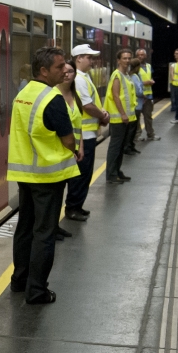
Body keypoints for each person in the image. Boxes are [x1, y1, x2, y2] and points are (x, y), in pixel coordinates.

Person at [8, 47, 80, 304]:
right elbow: (68, 139)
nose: (65, 71)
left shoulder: (23, 94)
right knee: (44, 232)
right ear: (44, 70)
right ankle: (36, 290)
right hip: (48, 177)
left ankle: (19, 280)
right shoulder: (53, 99)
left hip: (24, 173)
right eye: (60, 67)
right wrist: (76, 149)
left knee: (25, 228)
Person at [65, 45, 109, 222]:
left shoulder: (84, 77)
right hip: (83, 135)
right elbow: (87, 105)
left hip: (89, 134)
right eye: (89, 57)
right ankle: (73, 207)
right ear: (78, 59)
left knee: (85, 174)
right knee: (81, 174)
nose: (92, 61)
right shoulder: (80, 79)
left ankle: (78, 206)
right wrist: (103, 116)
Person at [54, 60, 84, 241]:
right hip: (60, 152)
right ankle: (53, 227)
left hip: (72, 151)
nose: (67, 74)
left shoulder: (75, 95)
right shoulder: (54, 96)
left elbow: (80, 125)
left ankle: (56, 225)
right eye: (63, 71)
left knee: (63, 190)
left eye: (71, 71)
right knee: (56, 193)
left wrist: (81, 147)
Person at [103, 49, 135, 185]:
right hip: (118, 119)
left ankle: (117, 171)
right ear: (118, 60)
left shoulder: (126, 75)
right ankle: (111, 174)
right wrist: (122, 113)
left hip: (126, 118)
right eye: (124, 58)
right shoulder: (117, 75)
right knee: (115, 147)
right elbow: (116, 95)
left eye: (129, 58)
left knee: (121, 146)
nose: (127, 60)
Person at [135, 48, 160, 141]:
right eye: (138, 55)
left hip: (148, 95)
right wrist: (145, 82)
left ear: (145, 56)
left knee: (148, 116)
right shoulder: (134, 68)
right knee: (137, 118)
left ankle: (151, 134)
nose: (140, 57)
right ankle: (137, 135)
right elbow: (133, 82)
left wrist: (151, 81)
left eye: (142, 55)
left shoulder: (149, 66)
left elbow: (150, 76)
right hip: (138, 97)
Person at [124, 59, 144, 156]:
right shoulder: (135, 76)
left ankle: (131, 146)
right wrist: (143, 92)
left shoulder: (129, 76)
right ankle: (128, 147)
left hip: (134, 105)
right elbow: (138, 91)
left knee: (132, 128)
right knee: (132, 128)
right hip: (137, 105)